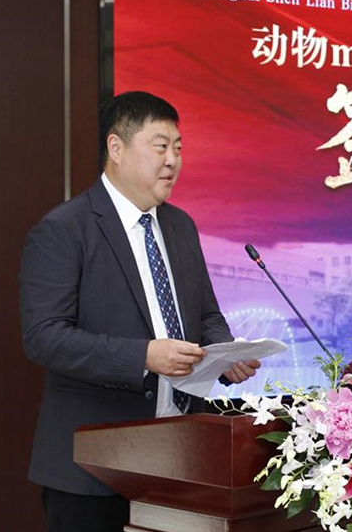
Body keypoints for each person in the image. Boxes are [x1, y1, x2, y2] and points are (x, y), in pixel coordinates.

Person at [19, 91, 260, 532]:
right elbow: (44, 336)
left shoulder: (181, 225)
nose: (173, 160)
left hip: (183, 457)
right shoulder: (64, 229)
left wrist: (225, 353)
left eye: (178, 148)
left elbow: (206, 315)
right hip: (92, 469)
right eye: (160, 146)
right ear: (116, 147)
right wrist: (143, 356)